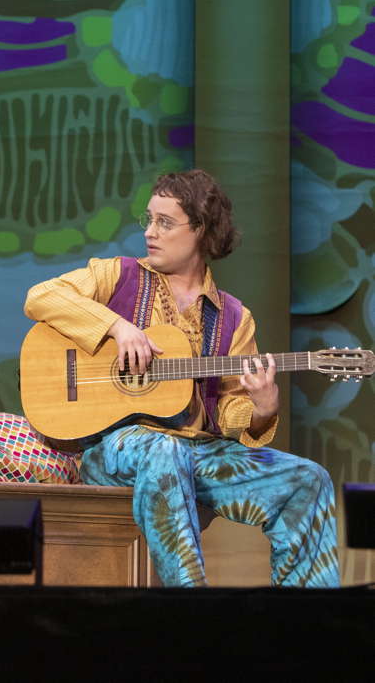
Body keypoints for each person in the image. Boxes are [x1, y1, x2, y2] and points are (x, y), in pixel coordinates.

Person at [24, 168, 339, 587]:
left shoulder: (233, 317)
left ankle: (312, 626)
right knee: (162, 449)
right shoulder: (117, 275)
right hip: (115, 449)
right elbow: (41, 297)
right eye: (149, 220)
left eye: (165, 223)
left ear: (201, 232)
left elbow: (228, 410)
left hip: (197, 452)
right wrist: (116, 328)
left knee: (308, 479)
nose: (150, 232)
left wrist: (261, 410)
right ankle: (190, 604)